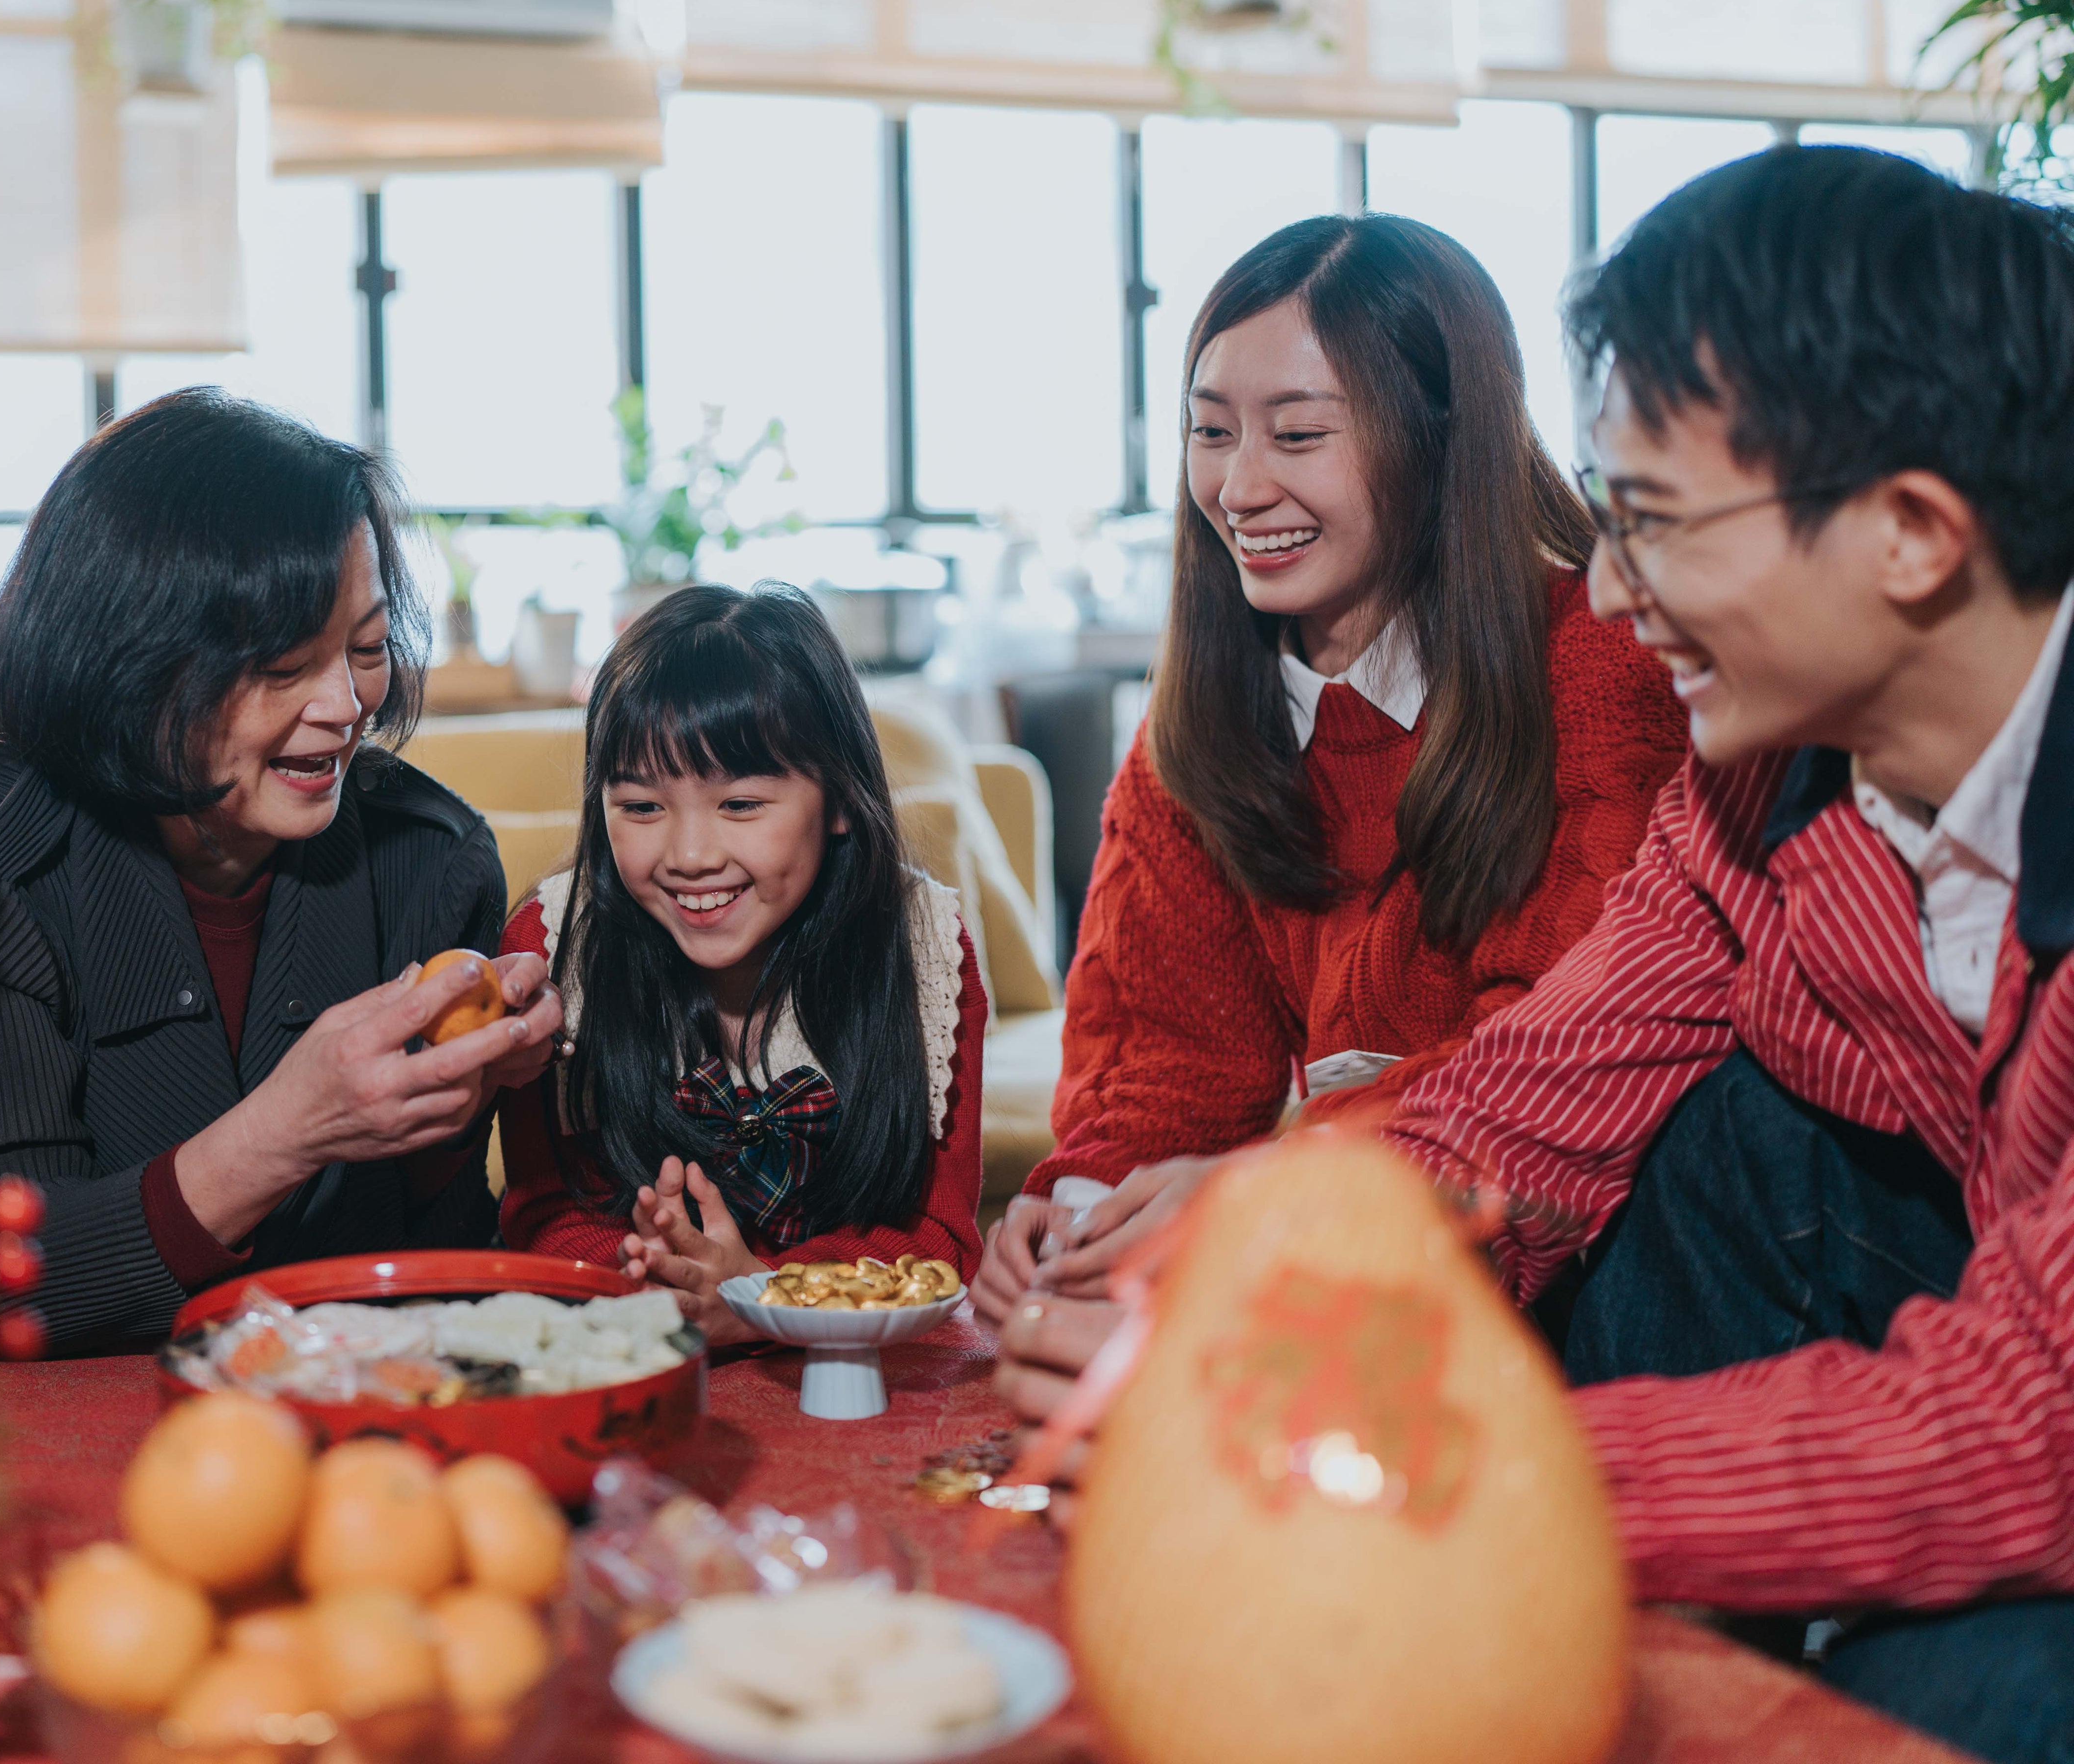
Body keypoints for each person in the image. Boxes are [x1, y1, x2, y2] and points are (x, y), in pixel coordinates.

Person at [997, 145, 2074, 1764]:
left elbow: (2022, 1427)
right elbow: (1529, 1101)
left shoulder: (1626, 704)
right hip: (1953, 1352)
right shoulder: (1762, 788)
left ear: (1911, 531)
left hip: (2022, 1421)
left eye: (1651, 526)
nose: (1615, 596)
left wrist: (1443, 1479)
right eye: (1218, 431)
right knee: (1721, 1133)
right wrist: (1263, 1297)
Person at [972, 214, 1685, 1324]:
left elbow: (1559, 1056)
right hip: (1323, 1263)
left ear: (1443, 439)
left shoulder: (1600, 662)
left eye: (1297, 437)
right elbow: (1167, 1069)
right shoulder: (1199, 728)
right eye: (1211, 433)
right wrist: (1083, 1210)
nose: (1239, 489)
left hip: (1578, 1285)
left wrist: (1266, 1195)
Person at [0, 388, 560, 1353]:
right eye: (285, 664)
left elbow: (437, 1279)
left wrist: (459, 1110)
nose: (347, 706)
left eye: (368, 649)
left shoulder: (431, 856)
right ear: (129, 654)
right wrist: (284, 1135)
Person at [495, 584, 986, 1343]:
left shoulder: (922, 947)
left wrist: (762, 1296)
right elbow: (541, 1212)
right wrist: (665, 1281)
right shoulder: (554, 948)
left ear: (841, 800)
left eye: (742, 805)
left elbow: (937, 1234)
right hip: (630, 1354)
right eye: (642, 808)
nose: (692, 858)